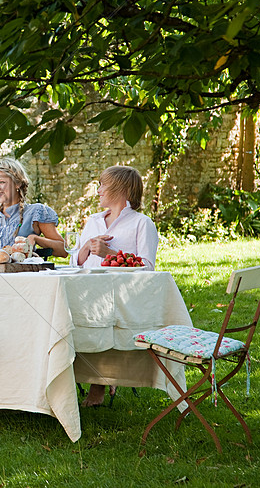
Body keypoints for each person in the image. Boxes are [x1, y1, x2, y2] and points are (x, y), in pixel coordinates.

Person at [73, 165, 159, 407]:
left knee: (101, 318)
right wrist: (86, 248)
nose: (98, 190)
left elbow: (148, 268)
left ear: (122, 189)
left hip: (124, 297)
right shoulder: (93, 221)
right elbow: (75, 260)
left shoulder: (142, 224)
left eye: (103, 185)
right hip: (88, 290)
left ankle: (98, 385)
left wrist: (108, 252)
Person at [0, 158, 66, 257]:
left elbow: (64, 250)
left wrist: (35, 239)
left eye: (1, 182)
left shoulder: (35, 212)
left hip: (22, 272)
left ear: (17, 183)